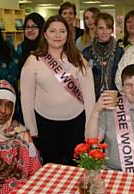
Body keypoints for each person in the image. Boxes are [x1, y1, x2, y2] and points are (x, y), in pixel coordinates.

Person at [20, 15, 95, 165]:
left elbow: (90, 97)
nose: (57, 35)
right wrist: (32, 129)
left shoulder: (79, 60)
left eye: (62, 31)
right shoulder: (33, 61)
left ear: (68, 35)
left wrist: (90, 127)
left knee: (76, 167)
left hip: (76, 123)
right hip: (45, 124)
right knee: (50, 166)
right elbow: (26, 98)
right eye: (53, 31)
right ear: (45, 34)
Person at [82, 13, 124, 99]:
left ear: (112, 30)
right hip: (93, 99)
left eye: (108, 28)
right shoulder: (87, 53)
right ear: (95, 30)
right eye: (101, 28)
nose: (104, 32)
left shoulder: (119, 52)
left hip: (115, 99)